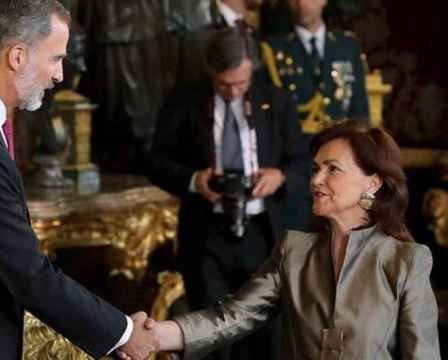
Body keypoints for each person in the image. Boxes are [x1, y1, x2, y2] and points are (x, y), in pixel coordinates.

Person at [0, 1, 155, 359]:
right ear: (17, 56)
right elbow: (27, 272)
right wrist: (123, 333)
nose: (60, 76)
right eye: (55, 59)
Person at [139, 121, 441, 360]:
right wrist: (155, 334)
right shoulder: (293, 251)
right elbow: (231, 317)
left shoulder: (406, 261)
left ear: (372, 183)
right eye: (316, 169)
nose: (315, 180)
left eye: (332, 169)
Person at [146, 28, 309, 360]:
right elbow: (154, 161)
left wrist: (280, 176)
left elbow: (304, 161)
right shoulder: (184, 101)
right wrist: (194, 179)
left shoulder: (277, 100)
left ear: (252, 71)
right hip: (207, 235)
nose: (234, 92)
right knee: (212, 335)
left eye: (241, 84)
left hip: (265, 234)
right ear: (211, 73)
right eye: (224, 85)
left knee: (270, 335)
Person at [261, 0, 369, 135]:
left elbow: (359, 109)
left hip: (340, 142)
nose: (300, 4)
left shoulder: (347, 46)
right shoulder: (274, 49)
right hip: (296, 145)